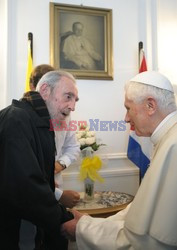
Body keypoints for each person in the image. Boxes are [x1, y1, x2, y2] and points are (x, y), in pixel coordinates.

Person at [61, 71, 177, 249]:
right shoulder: (167, 140)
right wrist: (87, 223)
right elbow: (137, 218)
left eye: (128, 108)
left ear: (150, 105)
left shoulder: (173, 146)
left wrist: (82, 228)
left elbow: (144, 242)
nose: (126, 118)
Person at [0, 70, 79, 250]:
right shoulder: (17, 120)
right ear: (44, 90)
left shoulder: (33, 120)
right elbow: (26, 187)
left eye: (75, 100)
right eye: (68, 96)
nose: (73, 106)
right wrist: (64, 219)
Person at [30, 64, 80, 208]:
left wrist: (59, 165)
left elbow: (73, 147)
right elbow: (25, 171)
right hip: (34, 194)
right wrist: (57, 193)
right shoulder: (22, 118)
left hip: (56, 185)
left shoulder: (65, 113)